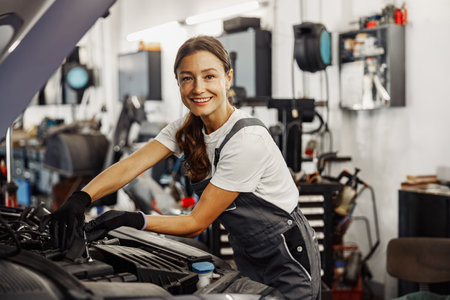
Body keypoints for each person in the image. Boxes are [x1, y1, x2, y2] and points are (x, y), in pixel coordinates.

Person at [41, 35, 321, 299]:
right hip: (247, 249)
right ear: (178, 84)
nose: (198, 88)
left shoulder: (246, 140)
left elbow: (195, 223)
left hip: (286, 254)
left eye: (209, 76)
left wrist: (131, 219)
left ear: (228, 78)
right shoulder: (188, 129)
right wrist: (80, 198)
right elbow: (132, 165)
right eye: (188, 79)